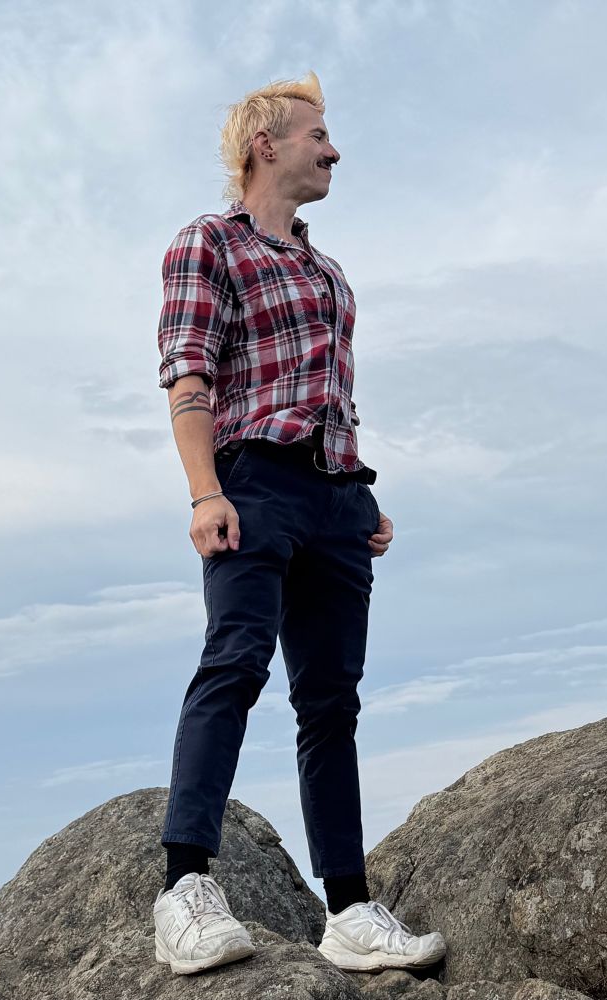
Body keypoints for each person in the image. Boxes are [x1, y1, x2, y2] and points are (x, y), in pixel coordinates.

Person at [152, 70, 446, 977]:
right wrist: (206, 494)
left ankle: (350, 909)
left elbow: (325, 396)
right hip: (251, 483)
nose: (334, 148)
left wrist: (356, 490)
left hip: (334, 500)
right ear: (264, 145)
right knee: (235, 659)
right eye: (319, 133)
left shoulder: (327, 271)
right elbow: (189, 375)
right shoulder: (208, 242)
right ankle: (186, 885)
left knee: (332, 705)